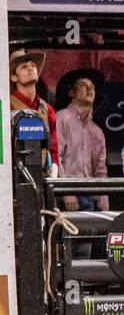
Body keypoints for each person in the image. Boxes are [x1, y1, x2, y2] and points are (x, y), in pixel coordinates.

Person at [55, 68, 108, 211]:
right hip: (65, 195)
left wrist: (103, 198)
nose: (90, 90)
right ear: (72, 92)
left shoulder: (97, 131)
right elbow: (55, 157)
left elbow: (100, 169)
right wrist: (66, 192)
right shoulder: (62, 118)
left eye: (93, 88)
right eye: (85, 86)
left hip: (90, 196)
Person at [9, 49, 59, 176]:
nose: (31, 69)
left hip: (42, 175)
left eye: (33, 66)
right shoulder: (7, 106)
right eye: (24, 67)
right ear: (13, 77)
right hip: (15, 175)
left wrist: (53, 169)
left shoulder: (47, 109)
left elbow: (53, 148)